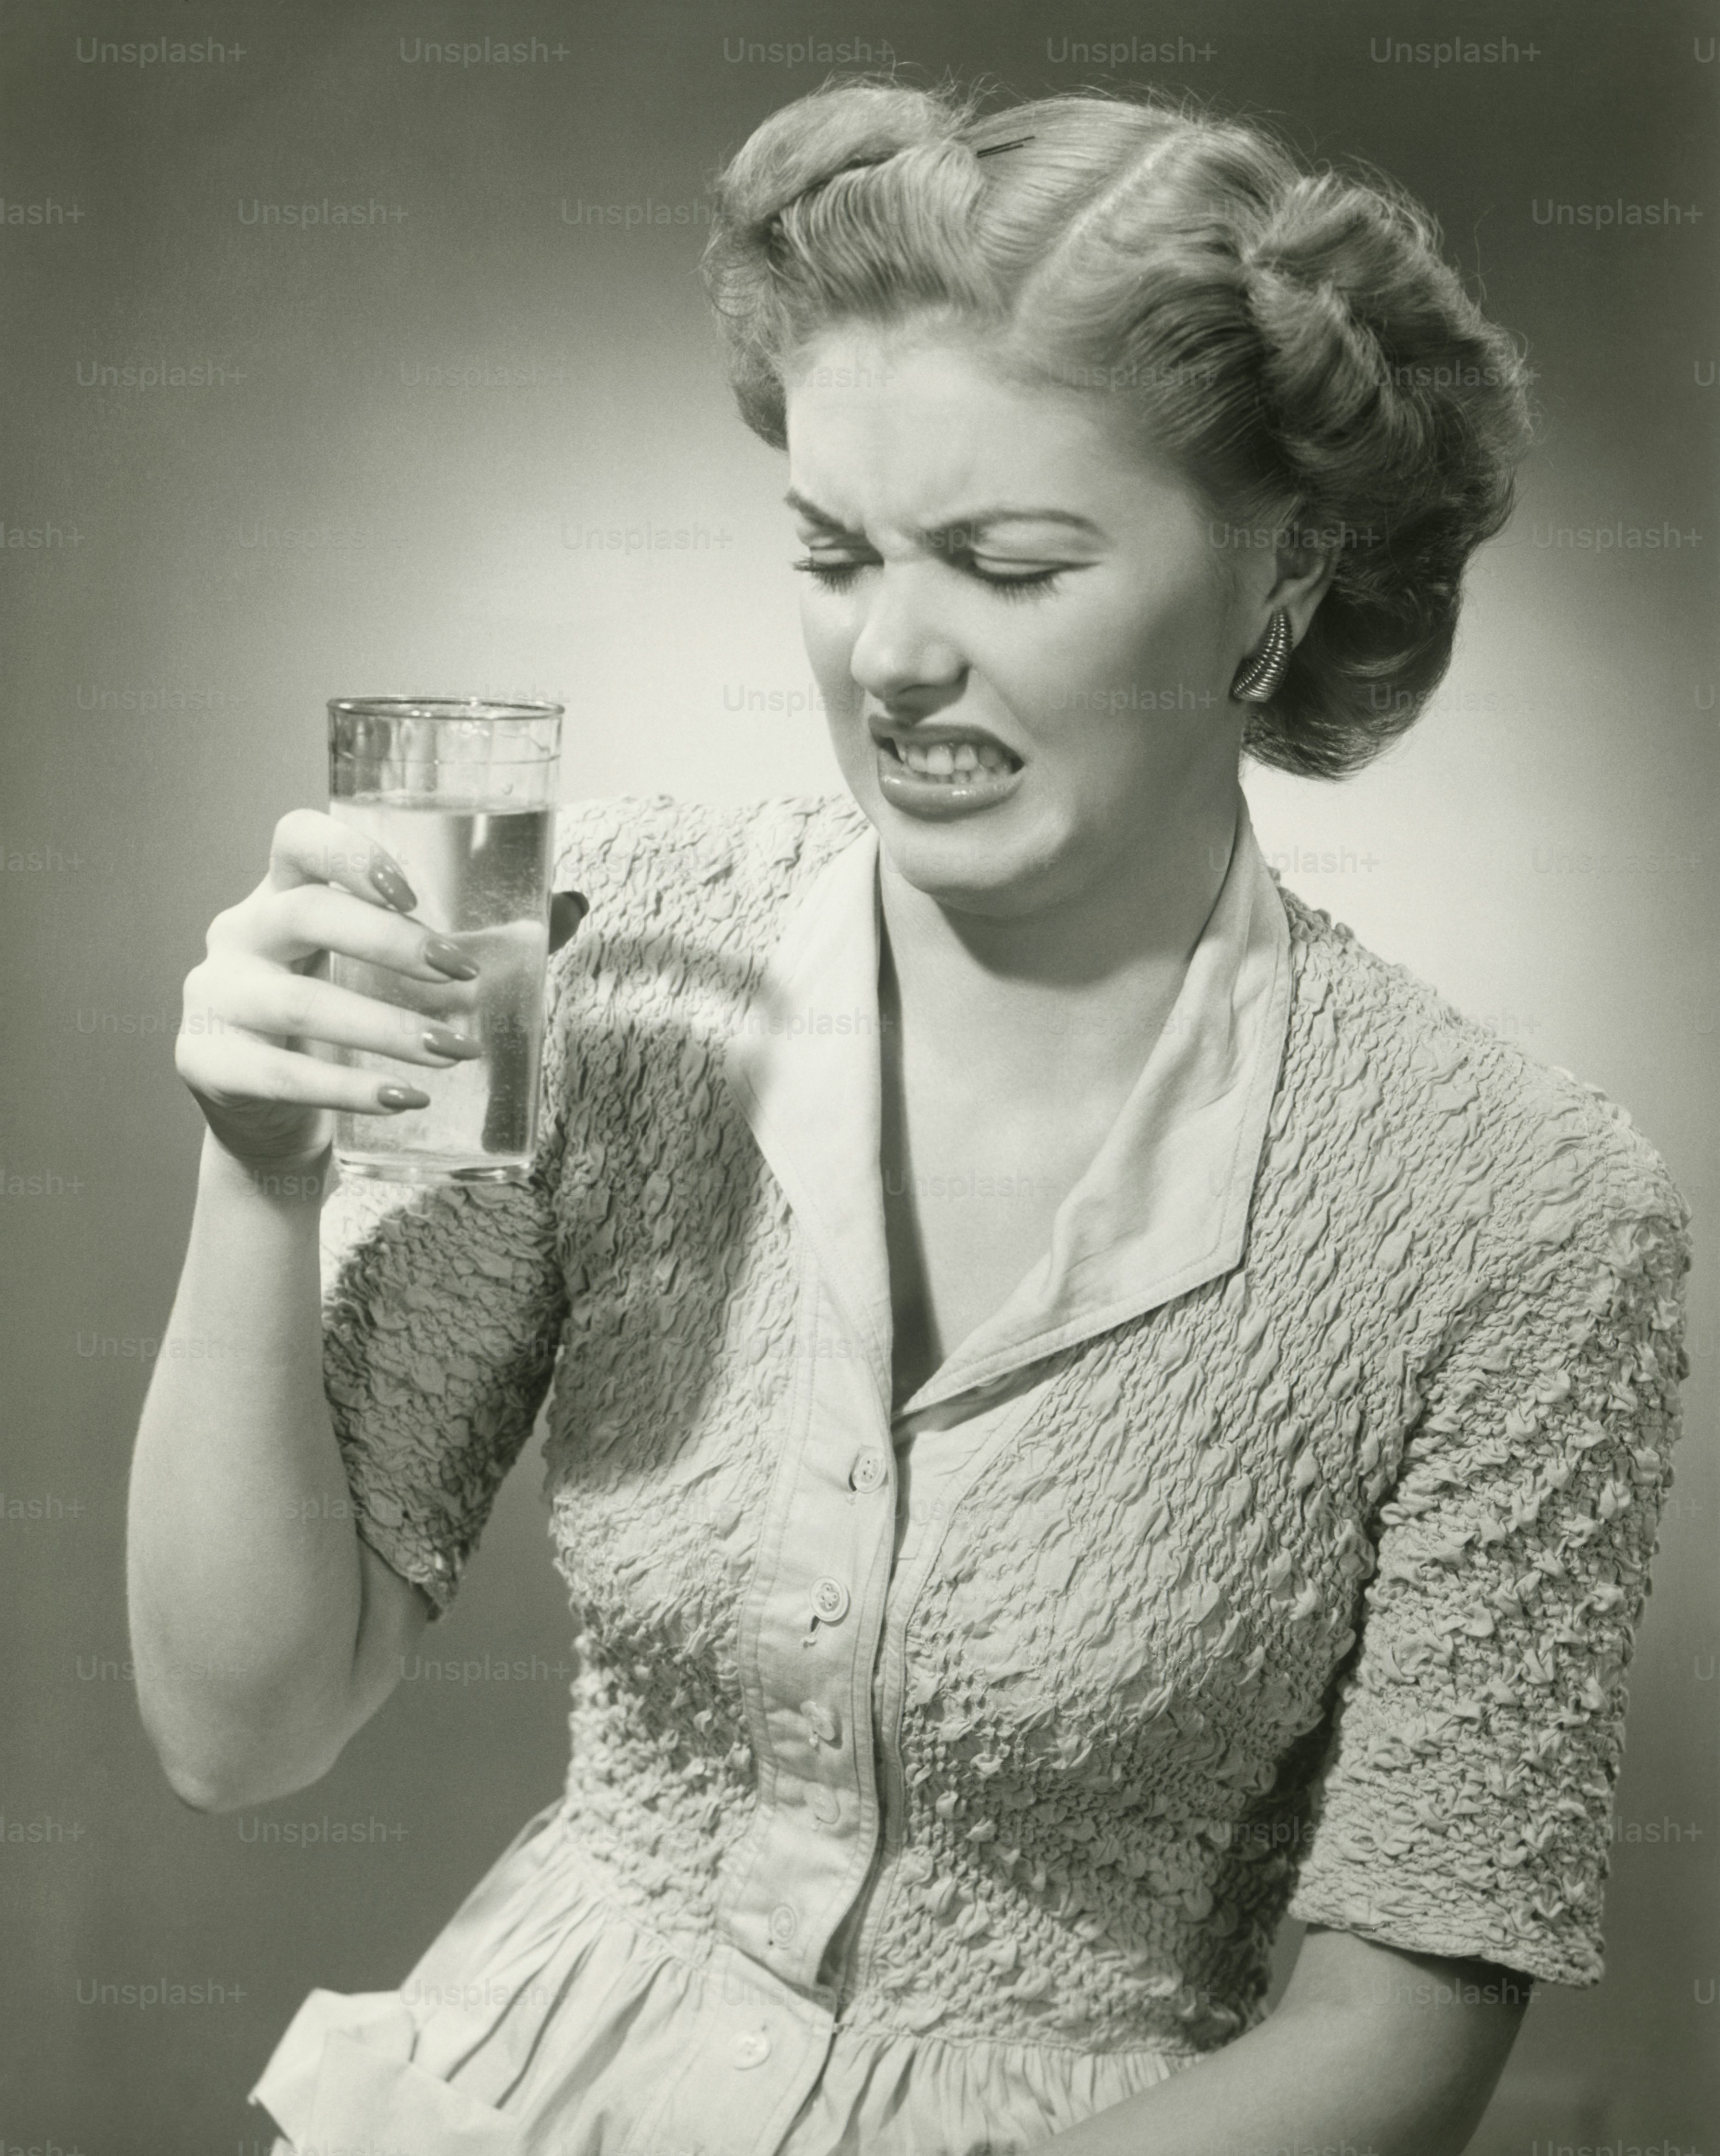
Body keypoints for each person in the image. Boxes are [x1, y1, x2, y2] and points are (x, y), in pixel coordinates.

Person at [129, 77, 1691, 2156]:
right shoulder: (593, 952)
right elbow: (239, 1718)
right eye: (834, 548)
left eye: (1009, 562)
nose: (891, 653)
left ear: (1280, 576)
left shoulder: (1518, 1207)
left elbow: (1395, 2046)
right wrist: (255, 1173)